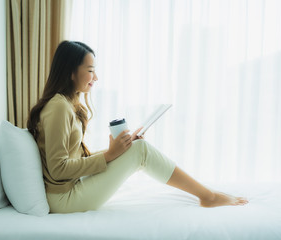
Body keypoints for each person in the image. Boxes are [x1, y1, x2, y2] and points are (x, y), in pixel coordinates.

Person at [27, 40, 248, 213]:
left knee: (135, 148)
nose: (96, 77)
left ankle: (206, 195)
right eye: (91, 70)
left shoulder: (66, 105)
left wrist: (114, 152)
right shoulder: (58, 107)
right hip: (63, 199)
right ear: (70, 71)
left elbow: (70, 161)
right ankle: (208, 197)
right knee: (141, 151)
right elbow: (58, 169)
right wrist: (110, 155)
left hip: (70, 189)